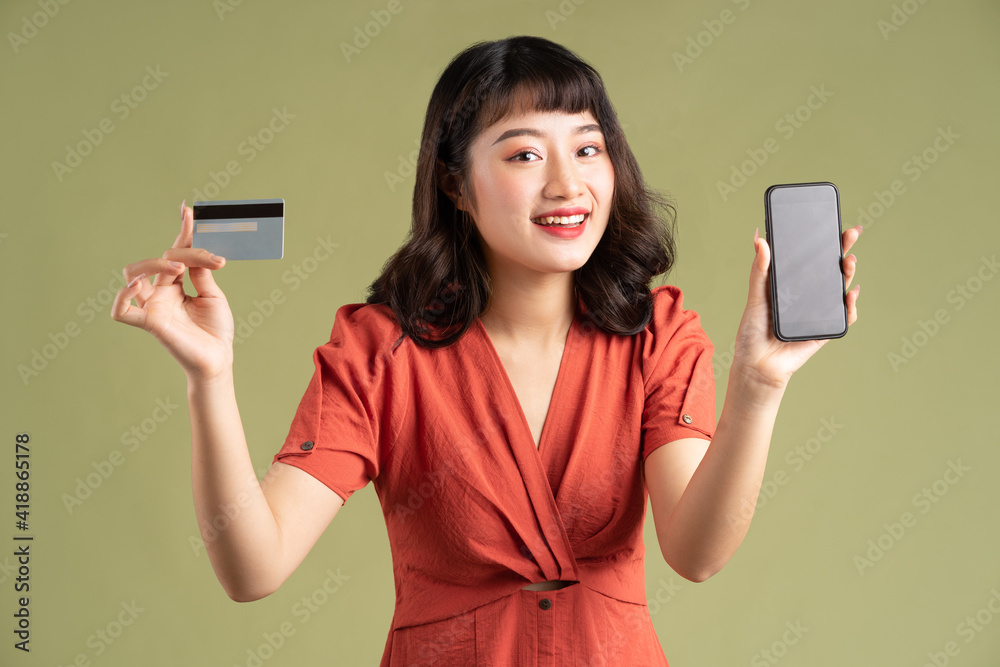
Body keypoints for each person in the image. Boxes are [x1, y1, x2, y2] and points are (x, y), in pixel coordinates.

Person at [111, 35, 861, 666]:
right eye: (525, 155)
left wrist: (759, 385)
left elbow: (696, 552)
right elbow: (253, 564)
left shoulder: (657, 334)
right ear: (457, 186)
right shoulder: (381, 349)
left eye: (589, 148)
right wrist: (209, 375)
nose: (569, 184)